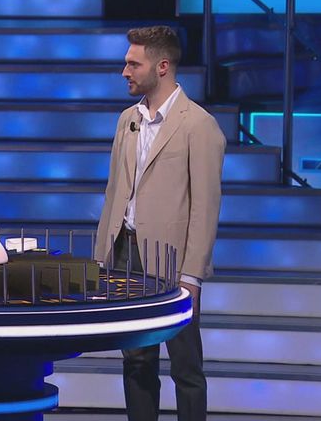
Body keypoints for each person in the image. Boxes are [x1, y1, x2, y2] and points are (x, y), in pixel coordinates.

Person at [94, 26, 226, 421]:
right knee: (136, 361)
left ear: (162, 66)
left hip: (171, 261)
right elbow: (114, 192)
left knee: (185, 365)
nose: (125, 72)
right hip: (125, 254)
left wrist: (192, 275)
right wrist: (102, 258)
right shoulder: (127, 120)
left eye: (133, 64)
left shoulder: (198, 125)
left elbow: (205, 207)